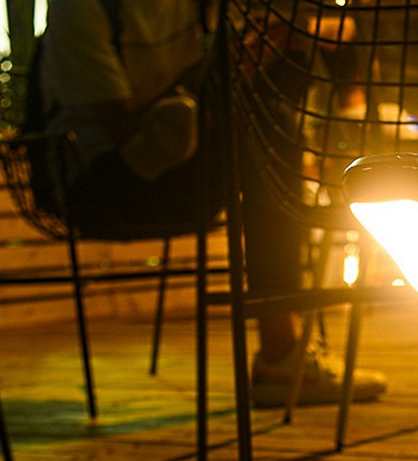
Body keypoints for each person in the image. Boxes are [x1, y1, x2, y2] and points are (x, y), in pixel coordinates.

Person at [38, 0, 386, 407]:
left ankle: (284, 351)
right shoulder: (81, 7)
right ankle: (280, 352)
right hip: (102, 183)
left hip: (186, 159)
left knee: (269, 106)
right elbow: (122, 129)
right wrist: (211, 79)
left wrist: (265, 48)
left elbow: (332, 27)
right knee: (258, 130)